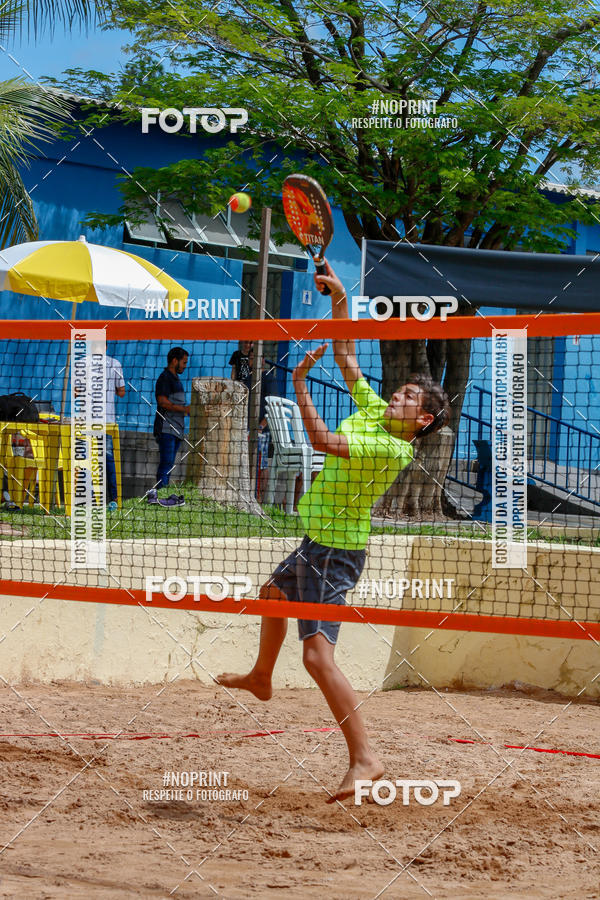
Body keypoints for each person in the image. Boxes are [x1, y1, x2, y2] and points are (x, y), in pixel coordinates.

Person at [217, 260, 450, 802]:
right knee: (272, 595)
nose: (398, 395)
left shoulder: (391, 445)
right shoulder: (373, 412)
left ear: (421, 422)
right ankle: (260, 677)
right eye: (401, 390)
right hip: (315, 540)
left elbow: (320, 440)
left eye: (410, 398)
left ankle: (365, 758)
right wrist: (341, 297)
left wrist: (299, 383)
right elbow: (346, 352)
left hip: (336, 551)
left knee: (318, 657)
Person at [153, 347, 190, 489]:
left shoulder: (176, 379)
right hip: (166, 429)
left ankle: (163, 493)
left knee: (169, 466)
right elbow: (162, 402)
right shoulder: (165, 378)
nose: (185, 366)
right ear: (175, 361)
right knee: (166, 464)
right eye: (184, 363)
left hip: (177, 430)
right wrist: (185, 409)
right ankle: (159, 493)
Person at [104, 355, 125, 511]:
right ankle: (114, 498)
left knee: (87, 459)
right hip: (107, 420)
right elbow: (122, 392)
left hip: (87, 420)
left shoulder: (82, 363)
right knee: (108, 458)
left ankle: (88, 497)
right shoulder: (114, 364)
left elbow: (76, 392)